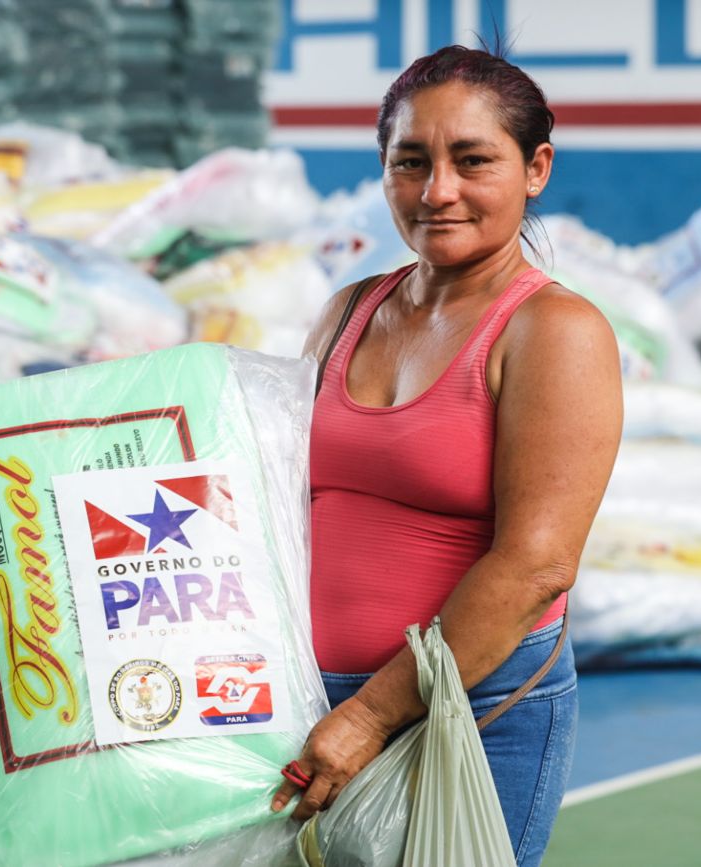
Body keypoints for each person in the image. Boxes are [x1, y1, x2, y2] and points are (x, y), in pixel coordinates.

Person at [270, 45, 623, 866]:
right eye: (410, 162)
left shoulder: (555, 332)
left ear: (536, 168)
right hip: (305, 706)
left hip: (468, 713)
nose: (437, 191)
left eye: (472, 160)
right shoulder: (348, 311)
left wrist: (369, 714)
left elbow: (537, 565)